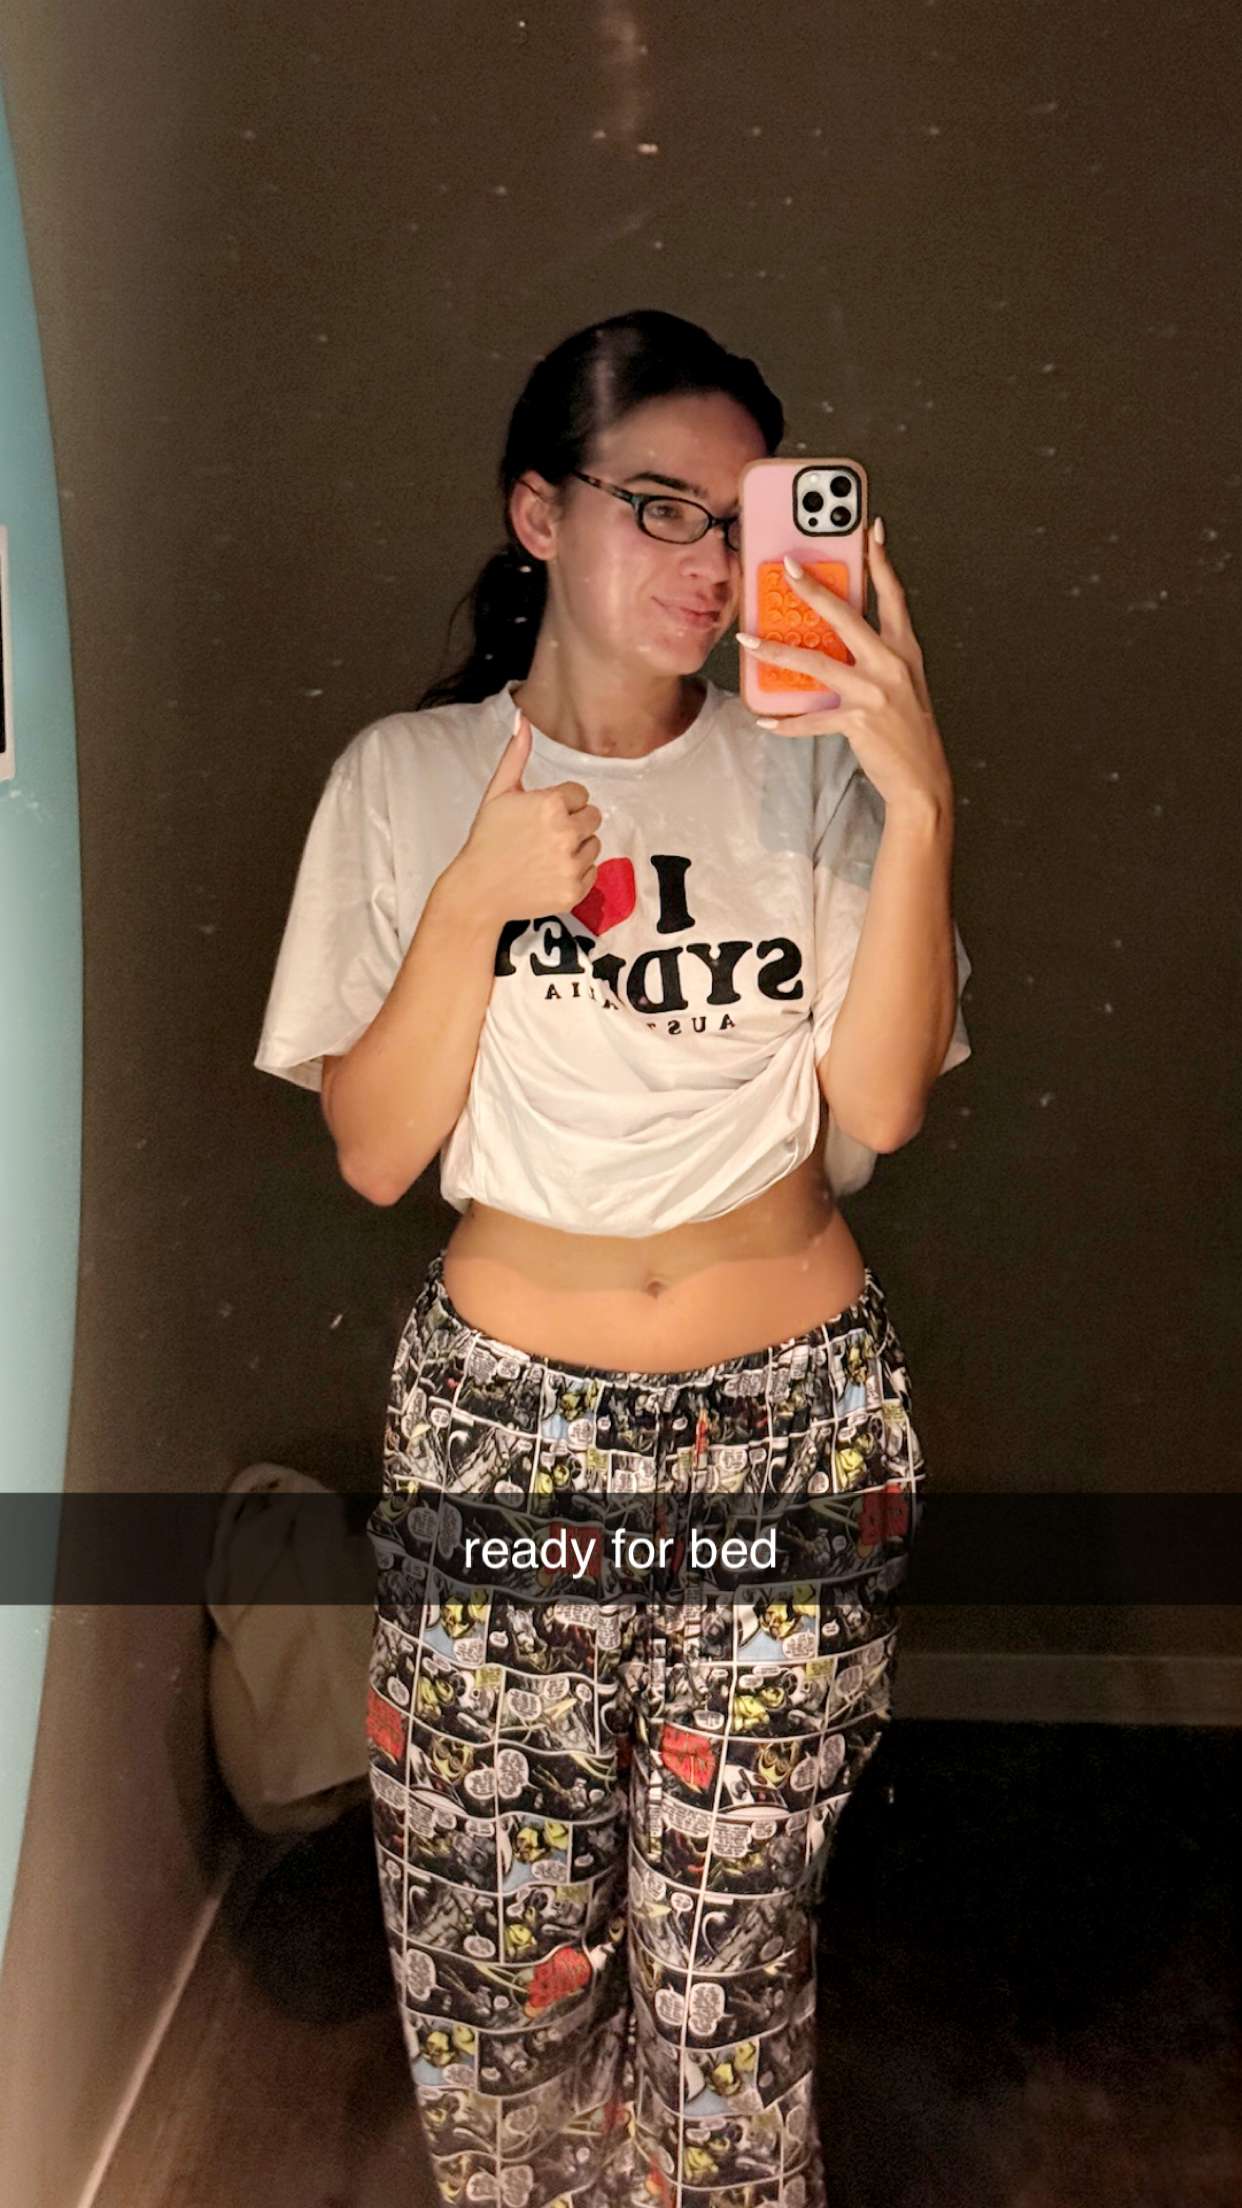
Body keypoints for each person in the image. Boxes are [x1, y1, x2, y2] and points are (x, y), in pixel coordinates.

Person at [254, 307, 972, 2208]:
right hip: (505, 1428)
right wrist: (476, 904)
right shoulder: (406, 780)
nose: (709, 562)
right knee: (498, 1956)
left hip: (792, 1424)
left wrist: (919, 804)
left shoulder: (809, 773)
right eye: (659, 505)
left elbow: (881, 1105)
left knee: (730, 1968)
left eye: (741, 518)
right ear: (536, 512)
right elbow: (375, 1149)